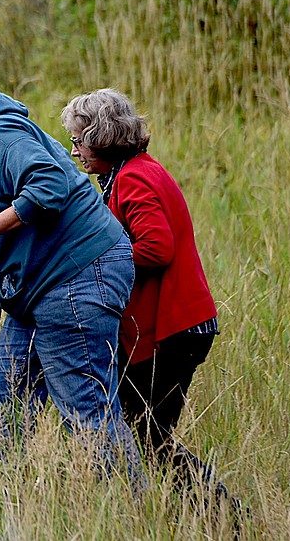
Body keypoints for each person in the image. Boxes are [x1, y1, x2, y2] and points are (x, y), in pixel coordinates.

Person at [0, 61, 141, 477]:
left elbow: (49, 186)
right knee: (5, 391)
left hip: (75, 277)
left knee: (87, 412)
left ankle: (134, 514)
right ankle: (20, 497)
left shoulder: (0, 133)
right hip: (40, 288)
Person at [61, 89, 229, 498]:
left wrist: (96, 259)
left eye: (79, 140)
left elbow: (156, 247)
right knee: (146, 433)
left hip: (175, 327)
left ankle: (225, 515)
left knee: (149, 437)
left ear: (102, 138)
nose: (75, 150)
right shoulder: (130, 172)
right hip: (172, 326)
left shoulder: (134, 176)